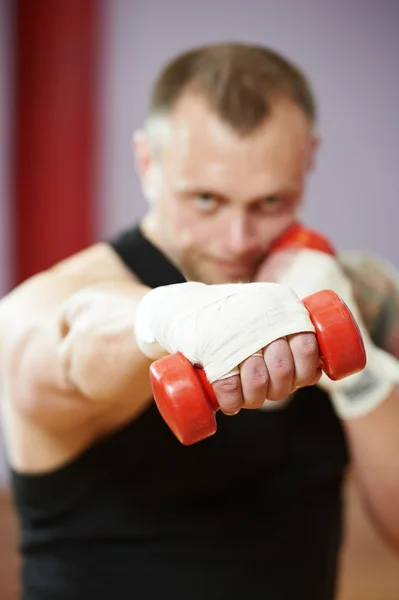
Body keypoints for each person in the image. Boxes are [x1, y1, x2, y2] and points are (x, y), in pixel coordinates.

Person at [0, 42, 398, 600]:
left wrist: (359, 369)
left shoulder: (354, 291)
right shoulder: (48, 301)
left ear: (308, 159)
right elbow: (68, 341)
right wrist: (169, 314)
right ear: (147, 163)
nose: (238, 240)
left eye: (270, 201)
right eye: (206, 200)